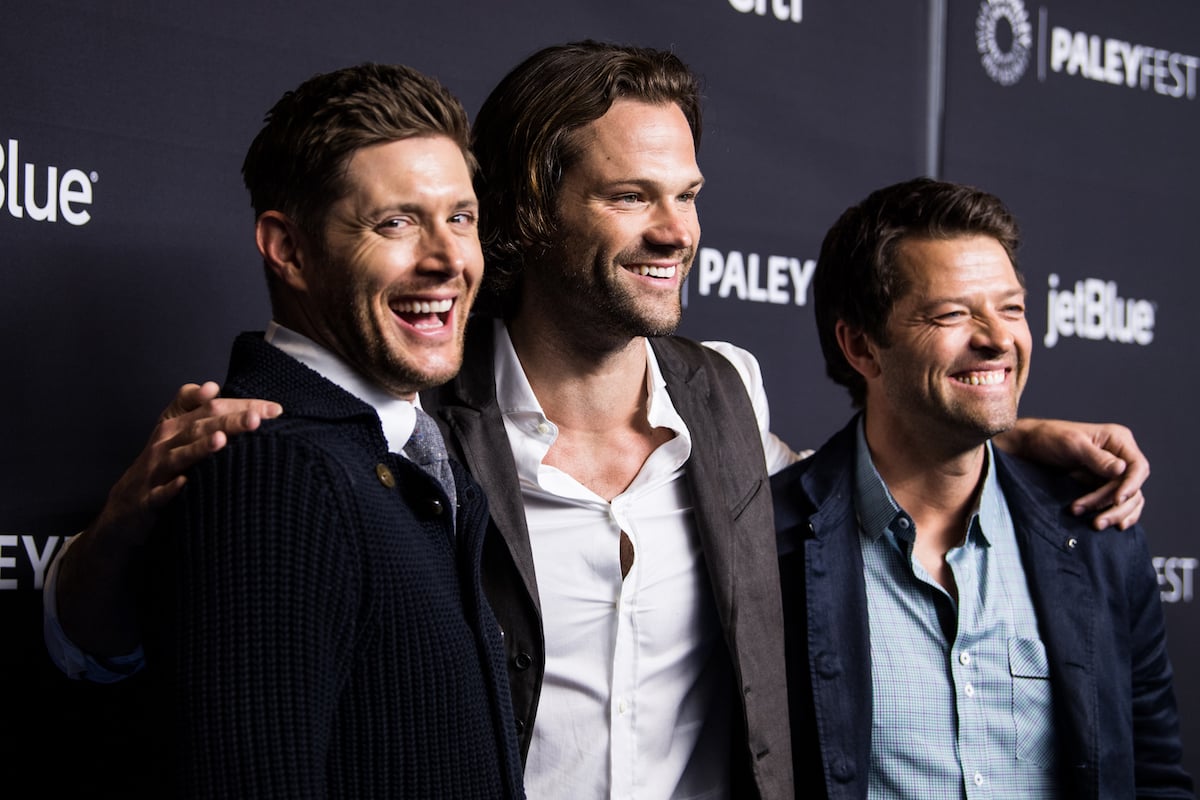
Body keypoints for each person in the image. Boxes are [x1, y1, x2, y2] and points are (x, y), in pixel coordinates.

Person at [47, 42, 1152, 800]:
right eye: (632, 196)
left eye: (689, 195)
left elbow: (853, 474)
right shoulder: (420, 414)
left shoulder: (727, 394)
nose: (677, 230)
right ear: (533, 208)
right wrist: (110, 542)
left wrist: (998, 430)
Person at [103, 63, 525, 798]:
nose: (448, 259)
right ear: (288, 248)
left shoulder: (407, 449)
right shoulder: (275, 471)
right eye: (396, 222)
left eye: (460, 217)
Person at [773, 177, 1191, 799]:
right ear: (861, 346)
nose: (999, 338)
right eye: (952, 314)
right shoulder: (771, 546)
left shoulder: (1096, 532)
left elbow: (1154, 778)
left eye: (1012, 308)